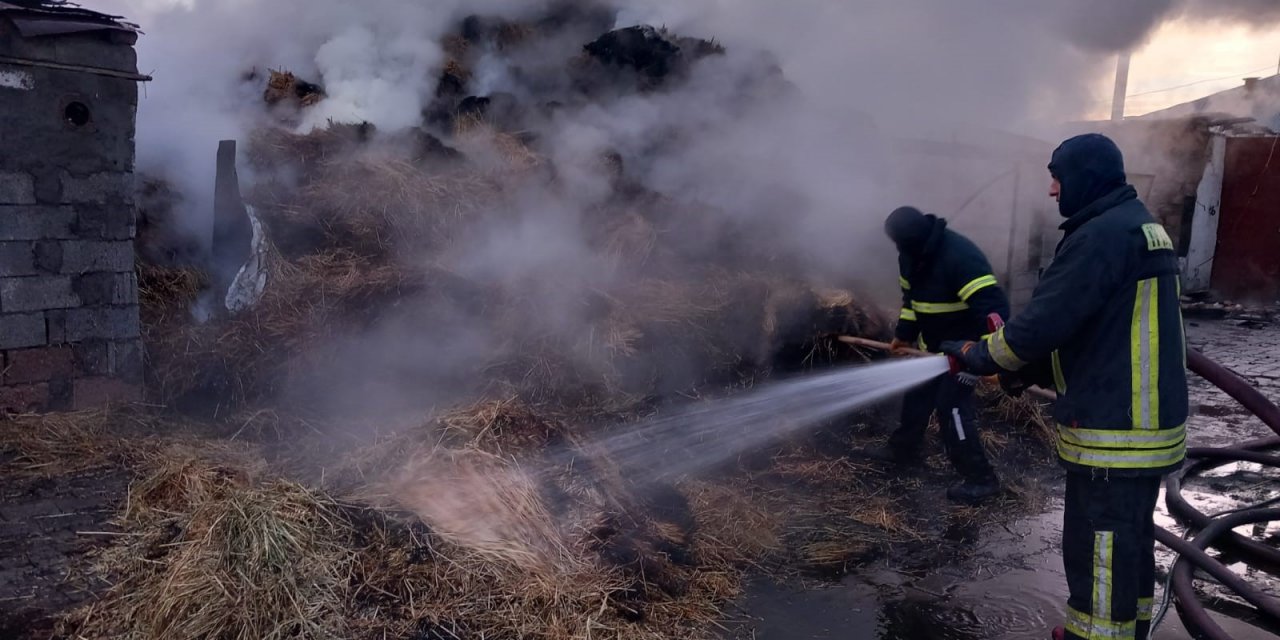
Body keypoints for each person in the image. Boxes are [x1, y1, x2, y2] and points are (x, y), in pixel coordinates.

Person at [943, 133, 1187, 640]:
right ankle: (1129, 630)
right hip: (1144, 422)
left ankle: (1096, 636)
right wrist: (1027, 371)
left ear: (1084, 177)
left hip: (1114, 427)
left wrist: (982, 355)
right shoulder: (1137, 226)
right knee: (1129, 542)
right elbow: (1095, 328)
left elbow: (1044, 323)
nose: (1052, 190)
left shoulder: (1101, 236)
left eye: (1058, 176)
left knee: (1098, 545)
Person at [869, 206, 1009, 504]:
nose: (899, 249)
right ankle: (903, 448)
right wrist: (903, 334)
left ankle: (981, 478)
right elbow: (912, 300)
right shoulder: (909, 254)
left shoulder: (959, 256)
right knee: (918, 391)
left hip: (969, 349)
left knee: (952, 406)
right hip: (934, 347)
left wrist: (993, 356)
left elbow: (992, 307)